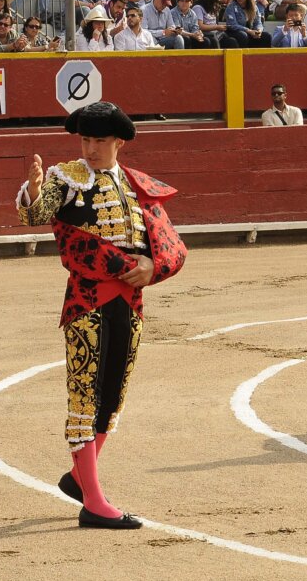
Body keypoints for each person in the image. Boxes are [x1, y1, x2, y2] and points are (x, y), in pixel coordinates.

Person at [17, 102, 186, 529]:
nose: (90, 149)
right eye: (85, 140)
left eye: (99, 141)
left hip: (130, 301)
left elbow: (166, 242)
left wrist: (151, 267)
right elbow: (38, 214)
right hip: (86, 300)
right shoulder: (66, 177)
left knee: (112, 396)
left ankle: (79, 477)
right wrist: (35, 191)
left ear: (119, 142)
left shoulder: (133, 183)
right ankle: (93, 501)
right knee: (84, 396)